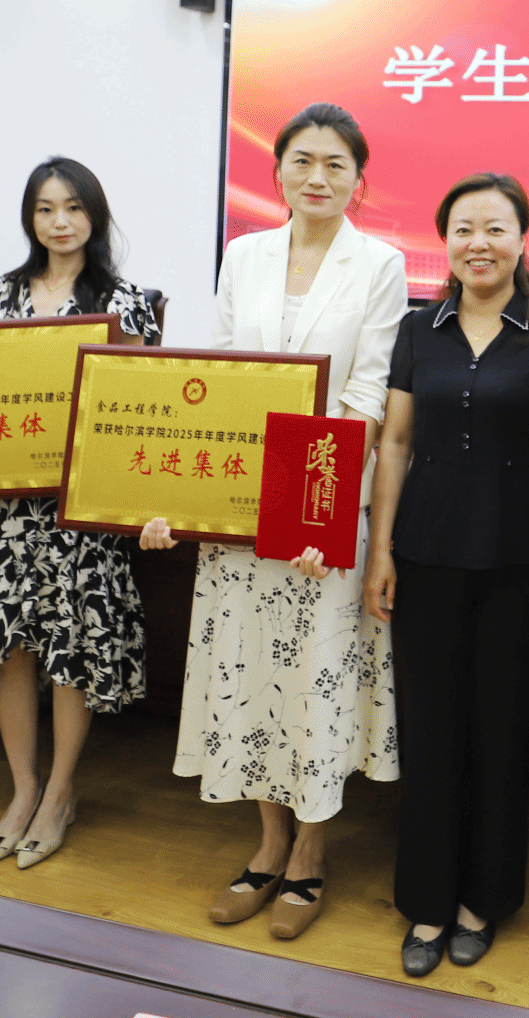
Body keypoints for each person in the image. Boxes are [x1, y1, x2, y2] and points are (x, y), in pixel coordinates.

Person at [139, 103, 405, 940]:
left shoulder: (381, 263)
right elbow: (223, 375)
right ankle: (267, 843)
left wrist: (312, 500)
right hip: (243, 508)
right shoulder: (245, 254)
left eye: (334, 163)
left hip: (326, 509)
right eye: (301, 160)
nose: (316, 176)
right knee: (246, 669)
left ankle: (311, 853)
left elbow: (368, 392)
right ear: (278, 169)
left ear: (359, 180)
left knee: (314, 680)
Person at [364, 173, 529, 978]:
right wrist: (380, 549)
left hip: (516, 559)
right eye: (463, 228)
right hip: (425, 552)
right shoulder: (417, 329)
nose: (479, 243)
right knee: (430, 732)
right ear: (445, 241)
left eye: (495, 228)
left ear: (523, 238)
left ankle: (481, 901)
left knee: (498, 732)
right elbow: (395, 442)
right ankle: (427, 899)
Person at [0, 157, 159, 870]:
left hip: (77, 511)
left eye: (74, 207)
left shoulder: (126, 302)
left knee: (70, 644)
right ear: (30, 218)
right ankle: (23, 787)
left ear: (96, 214)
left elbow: (139, 408)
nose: (60, 222)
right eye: (46, 209)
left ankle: (59, 793)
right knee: (9, 646)